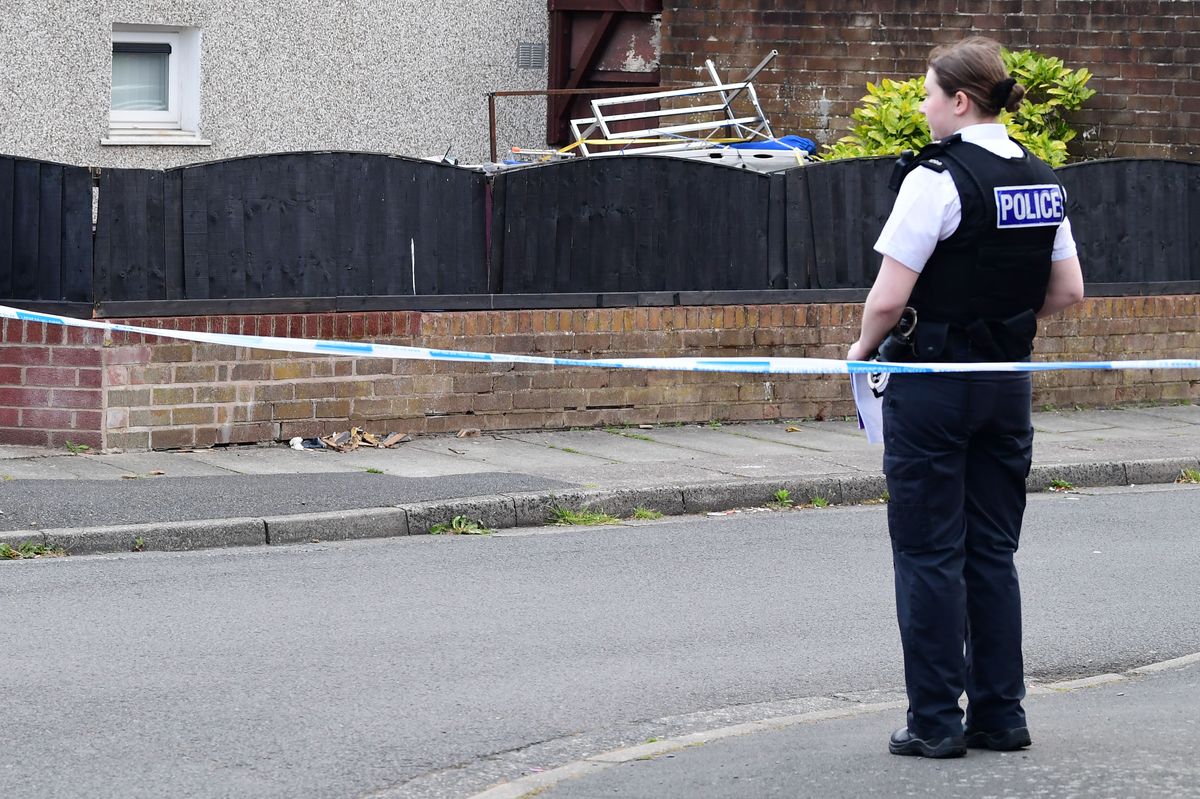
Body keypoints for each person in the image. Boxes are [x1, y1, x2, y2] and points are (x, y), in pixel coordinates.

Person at [846, 36, 1085, 759]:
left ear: (959, 100)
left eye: (926, 94)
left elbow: (890, 298)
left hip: (934, 385)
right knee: (991, 551)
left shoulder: (936, 178)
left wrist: (859, 352)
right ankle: (1000, 716)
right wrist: (1001, 328)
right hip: (1007, 384)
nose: (921, 107)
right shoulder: (1043, 177)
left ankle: (934, 722)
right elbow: (1069, 291)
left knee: (927, 552)